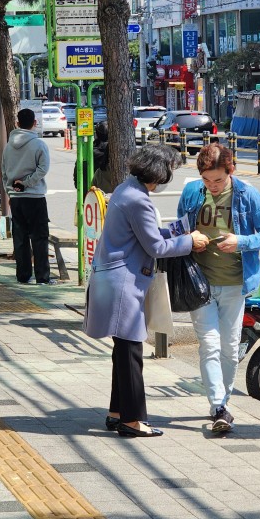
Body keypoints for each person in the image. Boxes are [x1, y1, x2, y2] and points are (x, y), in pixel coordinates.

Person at [84, 145, 210, 437]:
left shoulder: (126, 189)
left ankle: (117, 412)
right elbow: (154, 247)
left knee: (123, 351)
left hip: (113, 278)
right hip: (123, 283)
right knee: (131, 351)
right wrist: (190, 242)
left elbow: (143, 236)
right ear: (159, 172)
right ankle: (132, 421)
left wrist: (174, 233)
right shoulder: (138, 200)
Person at [177, 143, 260, 432]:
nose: (212, 186)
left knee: (230, 348)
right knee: (209, 345)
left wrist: (241, 241)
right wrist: (189, 237)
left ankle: (224, 401)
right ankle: (219, 407)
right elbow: (180, 227)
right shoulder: (192, 192)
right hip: (200, 283)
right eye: (207, 180)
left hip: (236, 283)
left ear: (230, 172)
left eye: (219, 180)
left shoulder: (247, 194)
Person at [2, 108, 53, 284]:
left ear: (17, 123)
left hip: (16, 199)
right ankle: (42, 277)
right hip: (35, 197)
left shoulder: (8, 146)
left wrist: (10, 190)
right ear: (34, 123)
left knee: (20, 237)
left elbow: (4, 173)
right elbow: (43, 169)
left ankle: (23, 275)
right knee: (39, 237)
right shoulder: (38, 144)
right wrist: (27, 182)